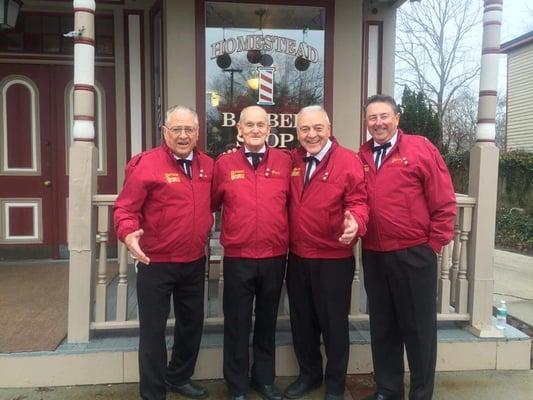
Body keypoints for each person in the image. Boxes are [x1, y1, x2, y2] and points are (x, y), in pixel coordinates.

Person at [359, 94, 456, 400]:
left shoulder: (420, 148)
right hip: (374, 254)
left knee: (419, 330)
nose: (378, 123)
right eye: (372, 118)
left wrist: (434, 245)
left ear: (397, 118)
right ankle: (388, 389)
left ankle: (421, 392)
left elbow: (443, 200)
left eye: (384, 116)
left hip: (414, 253)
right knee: (383, 326)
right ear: (366, 122)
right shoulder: (360, 156)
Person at [114, 105, 213, 400]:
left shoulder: (208, 165)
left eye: (189, 130)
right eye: (176, 130)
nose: (183, 136)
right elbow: (125, 208)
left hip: (194, 260)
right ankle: (153, 393)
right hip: (155, 262)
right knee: (153, 332)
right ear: (165, 132)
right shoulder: (145, 164)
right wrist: (127, 232)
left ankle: (179, 377)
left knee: (191, 325)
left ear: (197, 133)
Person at [284, 105, 369, 400]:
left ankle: (335, 385)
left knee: (334, 326)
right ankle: (309, 375)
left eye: (318, 128)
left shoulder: (349, 161)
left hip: (333, 259)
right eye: (305, 129)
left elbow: (359, 201)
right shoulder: (292, 160)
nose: (312, 135)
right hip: (297, 257)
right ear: (297, 133)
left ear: (329, 129)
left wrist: (356, 221)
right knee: (302, 322)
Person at [212, 105, 291, 400]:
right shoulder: (223, 165)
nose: (256, 129)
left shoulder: (285, 162)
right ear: (239, 130)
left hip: (273, 256)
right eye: (250, 125)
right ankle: (237, 385)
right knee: (237, 323)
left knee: (268, 321)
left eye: (261, 125)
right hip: (238, 257)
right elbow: (211, 202)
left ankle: (264, 380)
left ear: (269, 130)